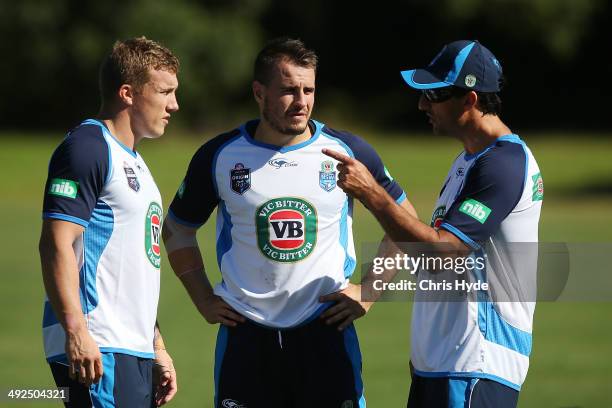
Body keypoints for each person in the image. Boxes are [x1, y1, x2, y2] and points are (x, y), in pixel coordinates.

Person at [162, 37, 415, 408]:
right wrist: (201, 297)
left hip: (326, 329)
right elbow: (177, 229)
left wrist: (370, 289)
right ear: (259, 92)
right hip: (245, 335)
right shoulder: (219, 156)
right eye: (289, 90)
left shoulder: (347, 152)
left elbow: (406, 222)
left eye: (308, 89)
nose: (302, 102)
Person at [323, 40, 543, 407]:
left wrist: (371, 194)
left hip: (477, 365)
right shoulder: (469, 161)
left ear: (471, 100)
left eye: (435, 94)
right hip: (444, 365)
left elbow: (443, 252)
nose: (423, 104)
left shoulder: (503, 163)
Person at [39, 36, 180, 407]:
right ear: (128, 93)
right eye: (165, 92)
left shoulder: (135, 160)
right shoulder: (87, 148)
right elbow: (56, 243)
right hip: (98, 341)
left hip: (130, 345)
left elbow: (133, 264)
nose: (174, 105)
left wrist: (156, 346)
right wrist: (76, 332)